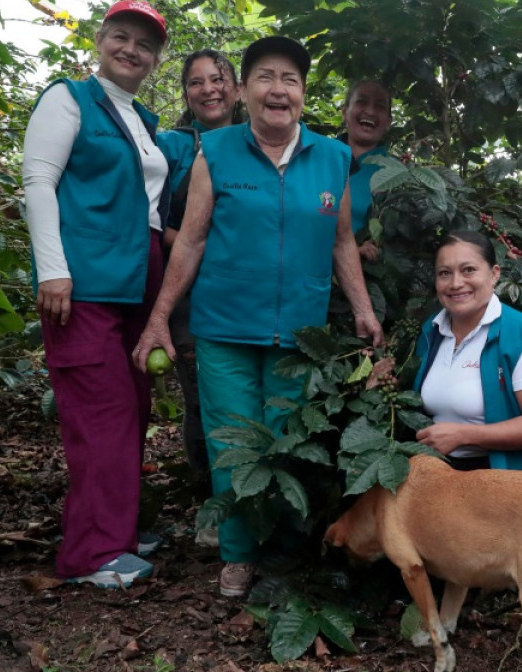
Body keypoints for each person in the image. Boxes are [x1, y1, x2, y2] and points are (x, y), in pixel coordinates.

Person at [132, 36, 384, 598]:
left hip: (299, 335)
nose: (278, 90)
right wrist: (160, 317)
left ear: (303, 94)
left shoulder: (332, 157)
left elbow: (342, 241)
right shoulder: (217, 150)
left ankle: (283, 554)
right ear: (244, 90)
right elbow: (191, 240)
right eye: (266, 77)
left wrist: (364, 311)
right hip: (224, 329)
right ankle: (239, 554)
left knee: (286, 441)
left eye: (290, 80)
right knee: (232, 447)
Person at [21, 0, 169, 588]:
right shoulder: (68, 98)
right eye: (121, 37)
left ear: (156, 60)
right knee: (101, 411)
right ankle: (92, 553)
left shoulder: (143, 120)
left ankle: (118, 528)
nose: (132, 50)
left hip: (138, 281)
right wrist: (52, 270)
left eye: (145, 44)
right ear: (100, 39)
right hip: (82, 283)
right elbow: (39, 181)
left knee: (132, 405)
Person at [155, 50, 242, 480]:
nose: (209, 89)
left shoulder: (258, 140)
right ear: (186, 94)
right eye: (196, 82)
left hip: (247, 294)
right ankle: (209, 491)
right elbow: (154, 223)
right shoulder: (171, 147)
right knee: (200, 398)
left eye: (218, 79)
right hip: (190, 295)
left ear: (238, 89)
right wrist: (205, 251)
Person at [412, 231, 522, 476]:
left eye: (468, 270)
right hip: (440, 478)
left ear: (494, 274)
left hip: (506, 481)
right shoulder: (432, 330)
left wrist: (463, 435)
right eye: (445, 273)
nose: (456, 283)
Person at [340, 79, 393, 262]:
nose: (370, 111)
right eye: (361, 102)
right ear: (345, 112)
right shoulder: (317, 156)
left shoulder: (397, 175)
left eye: (380, 106)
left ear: (388, 122)